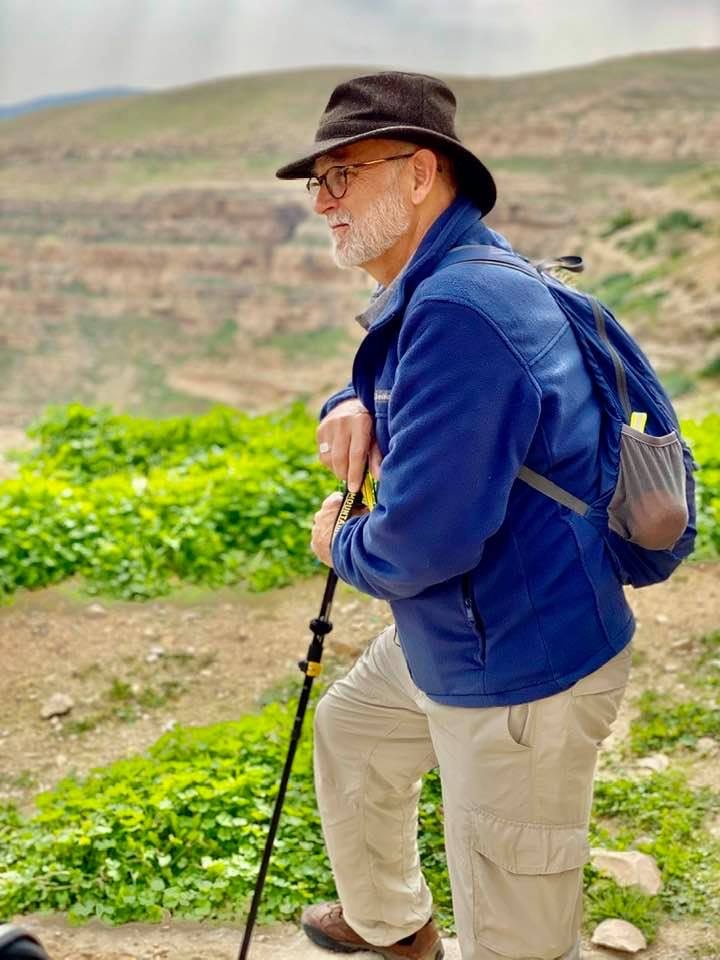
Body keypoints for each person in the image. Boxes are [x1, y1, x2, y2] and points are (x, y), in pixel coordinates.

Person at [275, 72, 633, 960]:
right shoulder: (463, 272)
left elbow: (423, 544)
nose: (322, 202)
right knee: (354, 734)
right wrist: (347, 402)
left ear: (420, 172)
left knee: (514, 931)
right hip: (470, 628)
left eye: (343, 174)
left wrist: (339, 543)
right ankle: (394, 926)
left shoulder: (461, 308)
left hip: (520, 667)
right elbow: (432, 398)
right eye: (318, 180)